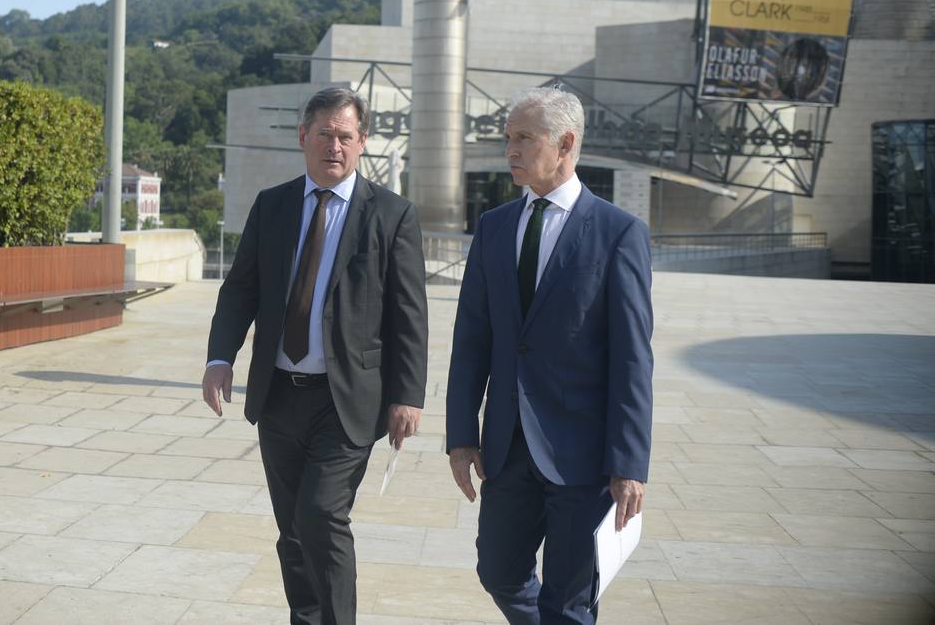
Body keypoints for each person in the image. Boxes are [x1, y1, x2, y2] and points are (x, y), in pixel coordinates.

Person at [204, 86, 429, 625]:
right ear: (304, 137)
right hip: (278, 395)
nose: (335, 145)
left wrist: (407, 396)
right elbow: (241, 289)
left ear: (363, 142)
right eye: (325, 134)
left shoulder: (392, 215)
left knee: (321, 515)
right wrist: (220, 357)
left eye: (346, 136)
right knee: (292, 530)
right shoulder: (273, 205)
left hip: (347, 400)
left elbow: (409, 314)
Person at [445, 87, 654, 625]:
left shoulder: (619, 233)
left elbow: (633, 359)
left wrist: (629, 464)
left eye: (522, 138)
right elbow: (472, 339)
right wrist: (462, 434)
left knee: (569, 601)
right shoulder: (493, 228)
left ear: (565, 143)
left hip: (584, 458)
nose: (509, 150)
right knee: (498, 572)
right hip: (508, 449)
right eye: (507, 138)